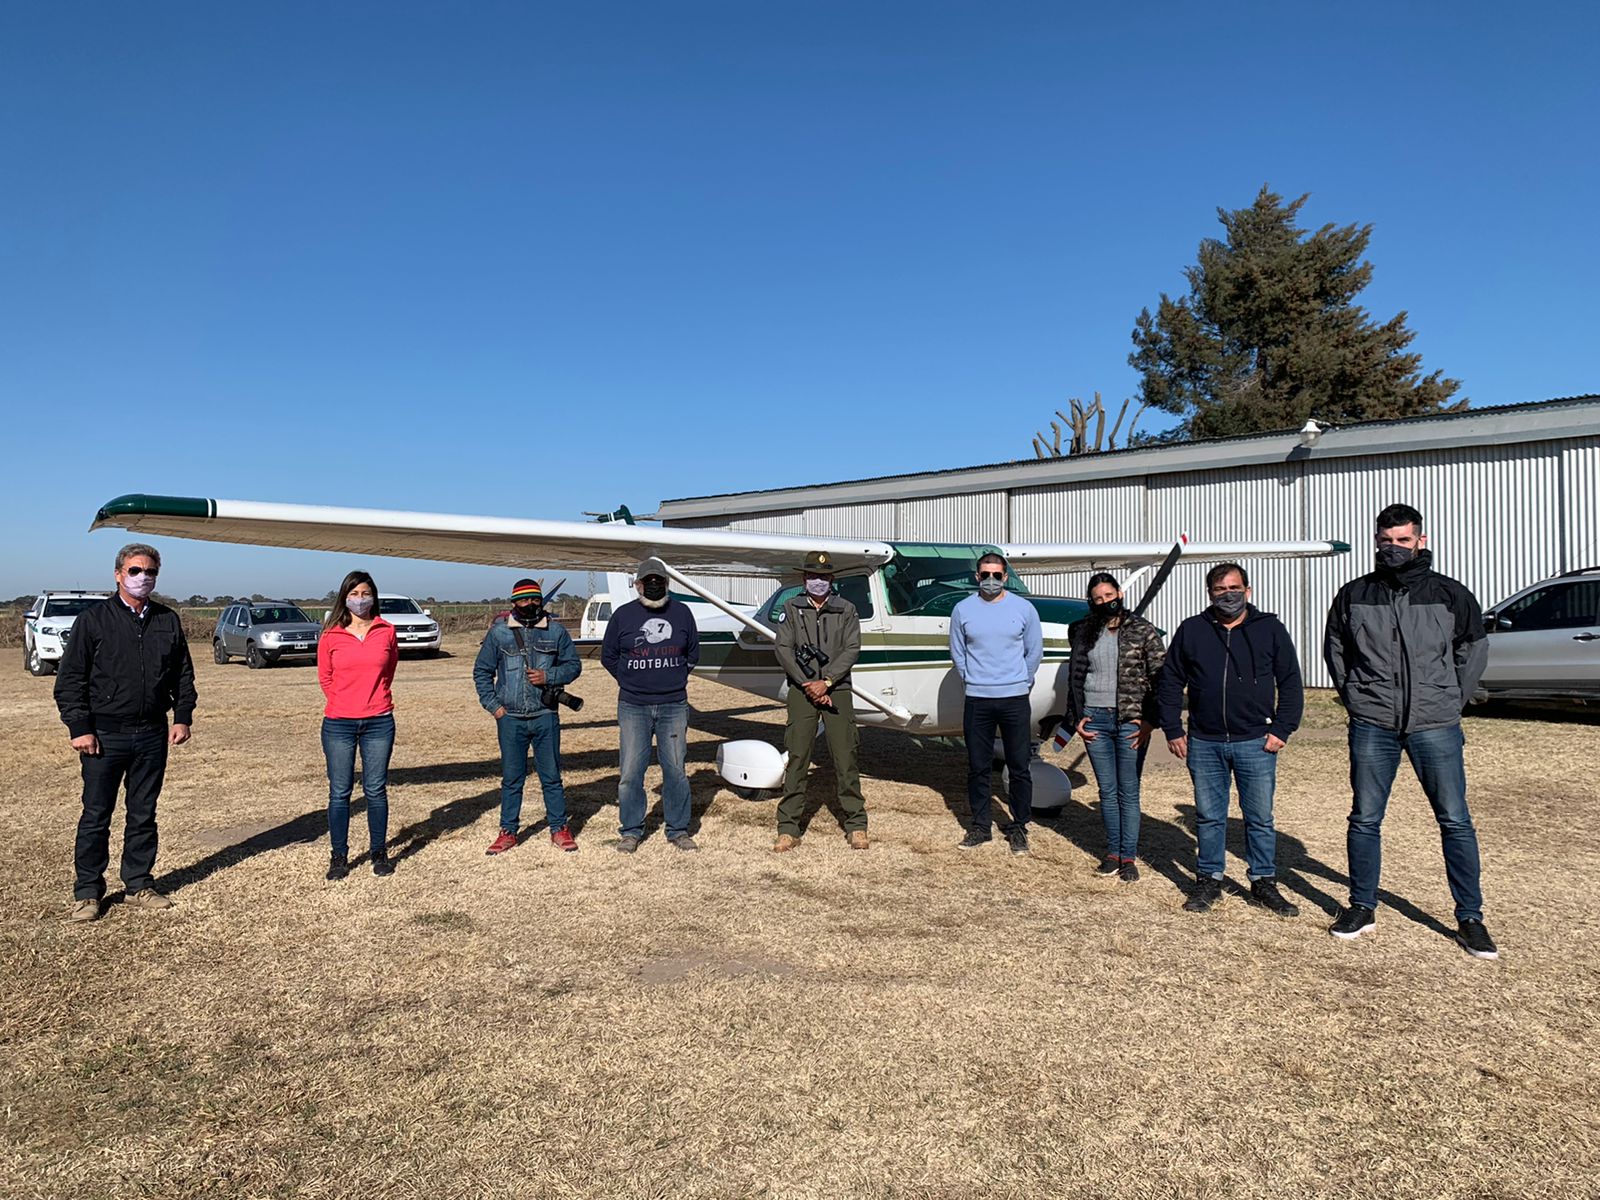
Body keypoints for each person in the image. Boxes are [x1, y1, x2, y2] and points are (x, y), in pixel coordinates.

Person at [1323, 503, 1497, 959]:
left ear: (1420, 540)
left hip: (1435, 723)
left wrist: (1448, 700)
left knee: (1455, 820)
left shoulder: (1449, 594)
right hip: (1373, 722)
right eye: (1386, 540)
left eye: (1403, 540)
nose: (1394, 548)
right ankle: (1362, 905)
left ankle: (1470, 917)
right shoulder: (1355, 593)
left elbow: (1472, 650)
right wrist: (1357, 697)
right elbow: (1337, 649)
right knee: (1365, 818)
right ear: (1376, 541)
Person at [54, 543, 196, 922]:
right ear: (118, 574)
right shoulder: (93, 620)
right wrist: (80, 727)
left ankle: (138, 884)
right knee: (96, 814)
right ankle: (87, 891)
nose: (142, 578)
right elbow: (70, 681)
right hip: (104, 735)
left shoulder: (168, 620)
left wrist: (182, 716)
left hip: (151, 733)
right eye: (135, 571)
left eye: (150, 572)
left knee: (143, 813)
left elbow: (183, 674)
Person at [1158, 563, 1303, 917]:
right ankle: (1209, 878)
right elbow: (1171, 680)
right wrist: (1173, 729)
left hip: (1256, 740)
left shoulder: (1269, 629)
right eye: (1220, 590)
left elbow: (1290, 682)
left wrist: (1282, 729)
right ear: (1210, 594)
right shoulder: (1193, 630)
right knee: (1209, 816)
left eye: (1234, 588)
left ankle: (1263, 880)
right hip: (1205, 742)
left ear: (1248, 591)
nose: (1228, 595)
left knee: (1259, 817)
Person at [1063, 572, 1165, 882]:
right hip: (1095, 718)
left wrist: (1150, 721)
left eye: (1109, 595)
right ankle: (1112, 854)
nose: (1105, 602)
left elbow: (1162, 678)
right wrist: (1076, 716)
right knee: (1107, 791)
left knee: (1128, 791)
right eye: (1098, 599)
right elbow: (1076, 677)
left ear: (1119, 593)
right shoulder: (1082, 631)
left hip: (1130, 721)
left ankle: (1129, 857)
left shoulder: (1143, 631)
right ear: (1091, 602)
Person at [474, 578, 582, 854]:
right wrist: (494, 707)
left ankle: (559, 828)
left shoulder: (556, 632)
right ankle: (508, 831)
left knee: (552, 776)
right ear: (514, 603)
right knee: (512, 778)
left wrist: (550, 675)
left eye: (535, 599)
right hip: (510, 717)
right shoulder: (499, 634)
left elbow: (574, 666)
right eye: (524, 600)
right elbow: (482, 672)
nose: (530, 604)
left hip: (545, 714)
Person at [601, 557, 701, 853]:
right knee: (631, 771)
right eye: (649, 581)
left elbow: (692, 653)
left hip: (673, 704)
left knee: (676, 770)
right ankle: (630, 831)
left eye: (660, 580)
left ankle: (678, 829)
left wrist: (673, 678)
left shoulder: (682, 613)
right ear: (638, 585)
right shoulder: (622, 616)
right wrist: (629, 679)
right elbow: (609, 656)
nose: (655, 585)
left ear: (667, 584)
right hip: (634, 705)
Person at [772, 550, 868, 851]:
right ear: (804, 578)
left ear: (832, 579)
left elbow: (852, 648)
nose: (818, 581)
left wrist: (826, 682)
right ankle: (788, 827)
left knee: (845, 756)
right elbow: (784, 649)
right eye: (813, 576)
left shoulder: (846, 609)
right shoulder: (791, 607)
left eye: (824, 577)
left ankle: (856, 824)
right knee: (798, 756)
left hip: (836, 687)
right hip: (802, 690)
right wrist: (807, 683)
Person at [949, 552, 1043, 856]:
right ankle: (980, 826)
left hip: (1014, 698)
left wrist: (1021, 681)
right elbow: (958, 652)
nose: (991, 580)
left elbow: (1034, 651)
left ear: (1006, 577)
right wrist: (972, 680)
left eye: (997, 575)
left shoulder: (1024, 609)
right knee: (978, 767)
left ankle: (1019, 827)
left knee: (1019, 767)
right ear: (977, 577)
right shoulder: (962, 610)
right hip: (978, 699)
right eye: (985, 574)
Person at [318, 570, 399, 879]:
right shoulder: (330, 634)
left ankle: (379, 851)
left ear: (373, 597)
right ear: (344, 597)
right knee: (340, 791)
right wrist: (344, 701)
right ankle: (339, 856)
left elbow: (389, 671)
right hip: (339, 722)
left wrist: (372, 699)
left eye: (366, 594)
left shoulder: (386, 631)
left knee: (376, 789)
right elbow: (325, 676)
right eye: (354, 594)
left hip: (379, 720)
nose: (360, 599)